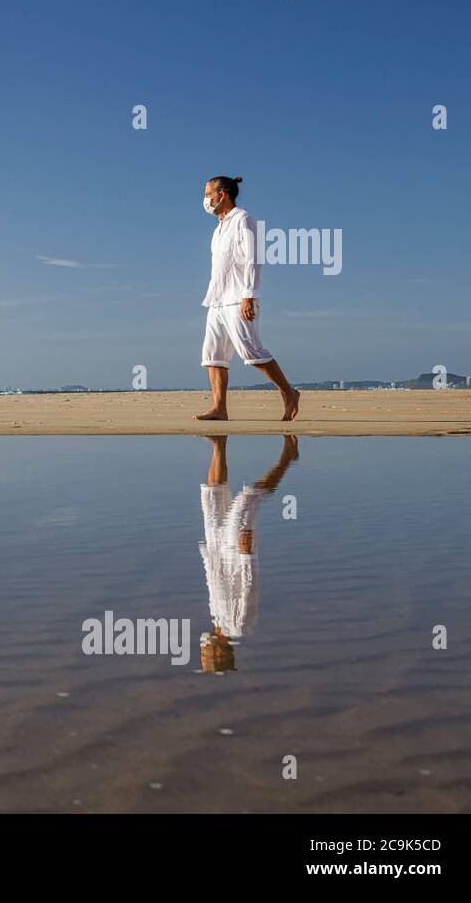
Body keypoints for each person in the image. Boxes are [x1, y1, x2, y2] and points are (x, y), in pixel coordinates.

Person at [195, 176, 300, 422]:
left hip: (238, 297)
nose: (206, 200)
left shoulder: (243, 219)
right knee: (213, 355)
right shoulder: (218, 228)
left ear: (222, 195)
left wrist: (248, 296)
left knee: (250, 350)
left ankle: (289, 392)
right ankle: (219, 408)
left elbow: (253, 259)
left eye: (208, 194)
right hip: (217, 300)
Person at [197, 434, 298, 672]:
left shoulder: (218, 621)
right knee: (246, 500)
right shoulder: (240, 627)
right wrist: (247, 555)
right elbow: (249, 589)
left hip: (215, 552)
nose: (201, 652)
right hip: (235, 552)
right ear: (219, 653)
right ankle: (287, 459)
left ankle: (218, 444)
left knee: (212, 495)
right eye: (205, 657)